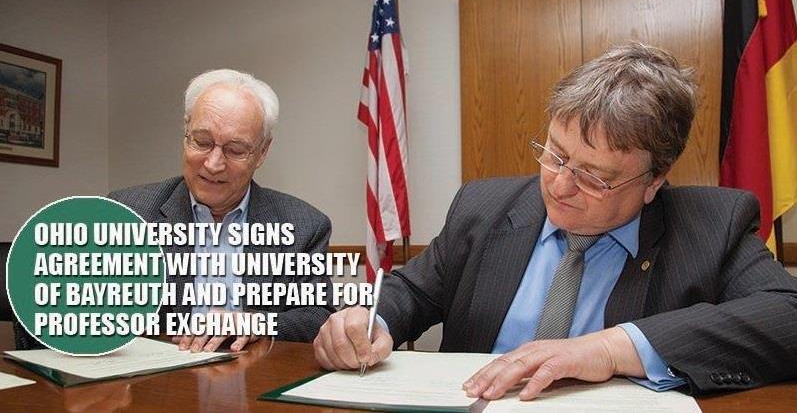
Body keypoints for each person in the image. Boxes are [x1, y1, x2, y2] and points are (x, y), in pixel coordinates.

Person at [312, 42, 797, 398]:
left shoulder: (710, 224)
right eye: (555, 155)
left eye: (594, 177)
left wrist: (611, 349)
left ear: (654, 180)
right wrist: (370, 319)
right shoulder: (483, 206)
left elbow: (788, 318)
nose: (559, 186)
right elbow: (414, 291)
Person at [14, 69, 334, 352]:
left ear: (262, 151)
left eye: (235, 149)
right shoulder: (129, 212)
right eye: (202, 141)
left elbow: (317, 316)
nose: (213, 164)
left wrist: (257, 323)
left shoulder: (302, 225)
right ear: (185, 131)